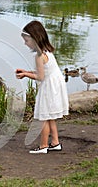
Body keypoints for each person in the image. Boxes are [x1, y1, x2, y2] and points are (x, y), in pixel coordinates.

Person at [16, 20, 69, 154]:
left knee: (44, 117)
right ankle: (55, 142)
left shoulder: (39, 56)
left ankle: (43, 146)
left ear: (34, 38)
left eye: (27, 40)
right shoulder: (47, 52)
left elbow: (40, 77)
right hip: (55, 85)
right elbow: (44, 72)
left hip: (48, 88)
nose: (25, 43)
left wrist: (27, 75)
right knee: (50, 116)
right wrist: (26, 72)